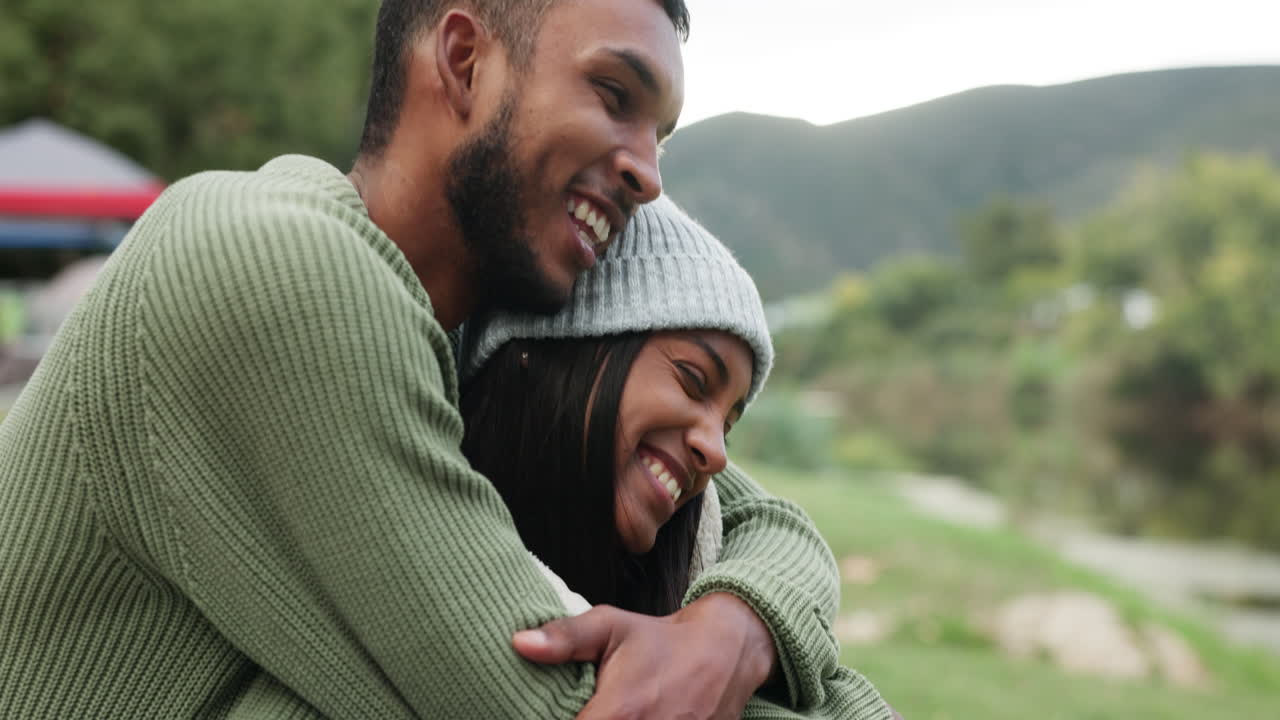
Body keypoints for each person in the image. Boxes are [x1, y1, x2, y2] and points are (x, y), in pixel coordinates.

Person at [0, 1, 853, 717]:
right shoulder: (280, 269)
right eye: (613, 92)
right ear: (462, 59)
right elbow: (574, 706)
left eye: (660, 132)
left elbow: (756, 518)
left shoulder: (461, 332)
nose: (650, 174)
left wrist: (738, 624)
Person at [458, 195, 895, 719]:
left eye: (728, 427)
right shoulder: (444, 541)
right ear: (565, 347)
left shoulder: (673, 549)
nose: (715, 454)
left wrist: (734, 625)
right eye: (692, 381)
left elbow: (774, 521)